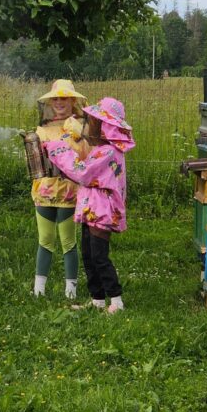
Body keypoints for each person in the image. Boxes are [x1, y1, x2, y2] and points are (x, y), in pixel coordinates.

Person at [44, 97, 135, 313]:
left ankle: (116, 300)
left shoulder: (108, 152)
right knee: (88, 254)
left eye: (94, 121)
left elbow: (82, 172)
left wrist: (58, 149)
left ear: (106, 126)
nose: (89, 125)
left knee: (99, 256)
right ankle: (97, 299)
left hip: (103, 210)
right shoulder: (101, 149)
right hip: (92, 207)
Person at [30, 79, 86, 299]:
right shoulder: (42, 128)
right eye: (56, 98)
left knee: (68, 242)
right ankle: (38, 291)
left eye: (64, 98)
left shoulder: (81, 125)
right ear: (50, 102)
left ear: (72, 101)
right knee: (44, 240)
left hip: (68, 191)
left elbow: (85, 154)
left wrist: (77, 135)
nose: (60, 102)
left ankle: (70, 291)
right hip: (44, 190)